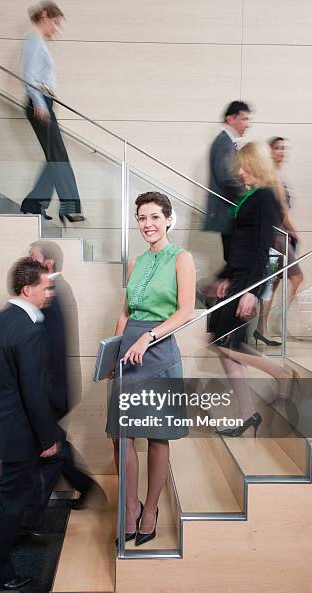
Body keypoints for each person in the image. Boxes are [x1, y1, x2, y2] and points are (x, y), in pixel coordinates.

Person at [106, 191, 196, 546]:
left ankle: (151, 510)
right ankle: (130, 509)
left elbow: (185, 311)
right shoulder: (137, 262)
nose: (148, 224)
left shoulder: (182, 258)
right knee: (121, 434)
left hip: (160, 352)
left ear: (169, 220)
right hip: (129, 350)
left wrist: (149, 338)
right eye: (142, 218)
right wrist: (115, 351)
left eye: (155, 217)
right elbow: (125, 312)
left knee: (157, 436)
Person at [0, 258, 60, 590]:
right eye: (46, 287)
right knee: (8, 505)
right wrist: (47, 438)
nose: (51, 293)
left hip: (2, 425)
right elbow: (34, 392)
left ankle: (25, 529)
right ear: (28, 289)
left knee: (11, 498)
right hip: (19, 433)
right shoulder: (28, 331)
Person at [210, 143, 297, 437]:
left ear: (258, 166)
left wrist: (250, 291)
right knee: (223, 346)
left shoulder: (264, 199)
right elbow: (240, 246)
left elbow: (261, 250)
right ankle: (247, 414)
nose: (240, 171)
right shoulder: (251, 196)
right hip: (236, 278)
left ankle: (280, 372)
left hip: (247, 281)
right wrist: (224, 276)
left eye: (245, 166)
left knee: (224, 344)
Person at [29, 241, 105, 511]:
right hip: (56, 385)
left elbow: (50, 347)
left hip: (52, 387)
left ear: (48, 264)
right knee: (51, 442)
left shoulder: (51, 293)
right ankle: (84, 487)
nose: (28, 263)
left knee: (47, 445)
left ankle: (33, 514)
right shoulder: (56, 288)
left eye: (33, 259)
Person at [20, 2, 85, 224]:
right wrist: (39, 102)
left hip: (45, 102)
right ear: (45, 15)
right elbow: (28, 77)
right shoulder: (33, 40)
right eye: (56, 23)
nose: (56, 29)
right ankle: (69, 207)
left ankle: (33, 204)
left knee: (54, 157)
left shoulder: (38, 42)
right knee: (58, 156)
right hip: (40, 103)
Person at [253, 137, 304, 345]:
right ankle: (277, 323)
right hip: (278, 235)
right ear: (270, 151)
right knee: (297, 277)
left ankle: (261, 329)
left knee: (272, 285)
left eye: (284, 148)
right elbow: (281, 212)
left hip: (276, 234)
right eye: (278, 148)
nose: (282, 151)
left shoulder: (273, 175)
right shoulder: (271, 175)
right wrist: (294, 231)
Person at [205, 100, 251, 267]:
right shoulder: (224, 143)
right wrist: (249, 197)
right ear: (230, 119)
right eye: (244, 119)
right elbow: (227, 178)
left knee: (234, 262)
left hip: (229, 211)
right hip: (228, 211)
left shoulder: (227, 142)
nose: (248, 124)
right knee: (234, 261)